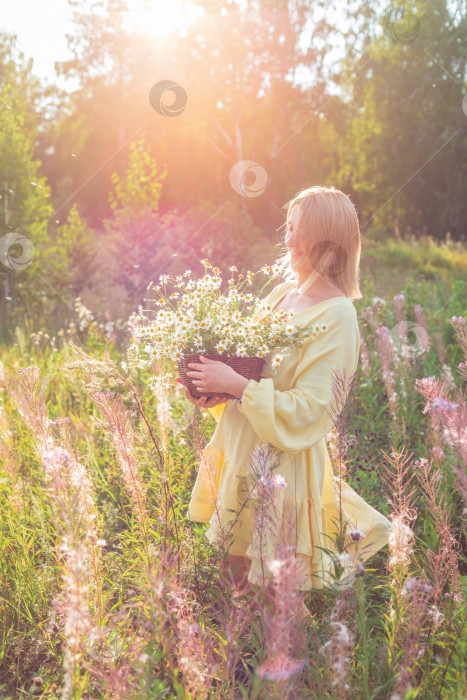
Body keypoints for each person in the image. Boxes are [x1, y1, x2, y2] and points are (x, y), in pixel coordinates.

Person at [176, 186, 393, 615]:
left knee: (274, 598)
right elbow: (254, 372)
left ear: (329, 243)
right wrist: (215, 392)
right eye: (288, 228)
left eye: (301, 232)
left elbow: (313, 410)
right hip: (241, 451)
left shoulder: (338, 315)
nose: (289, 241)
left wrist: (236, 386)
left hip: (282, 469)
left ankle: (283, 677)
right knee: (237, 584)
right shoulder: (279, 295)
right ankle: (242, 671)